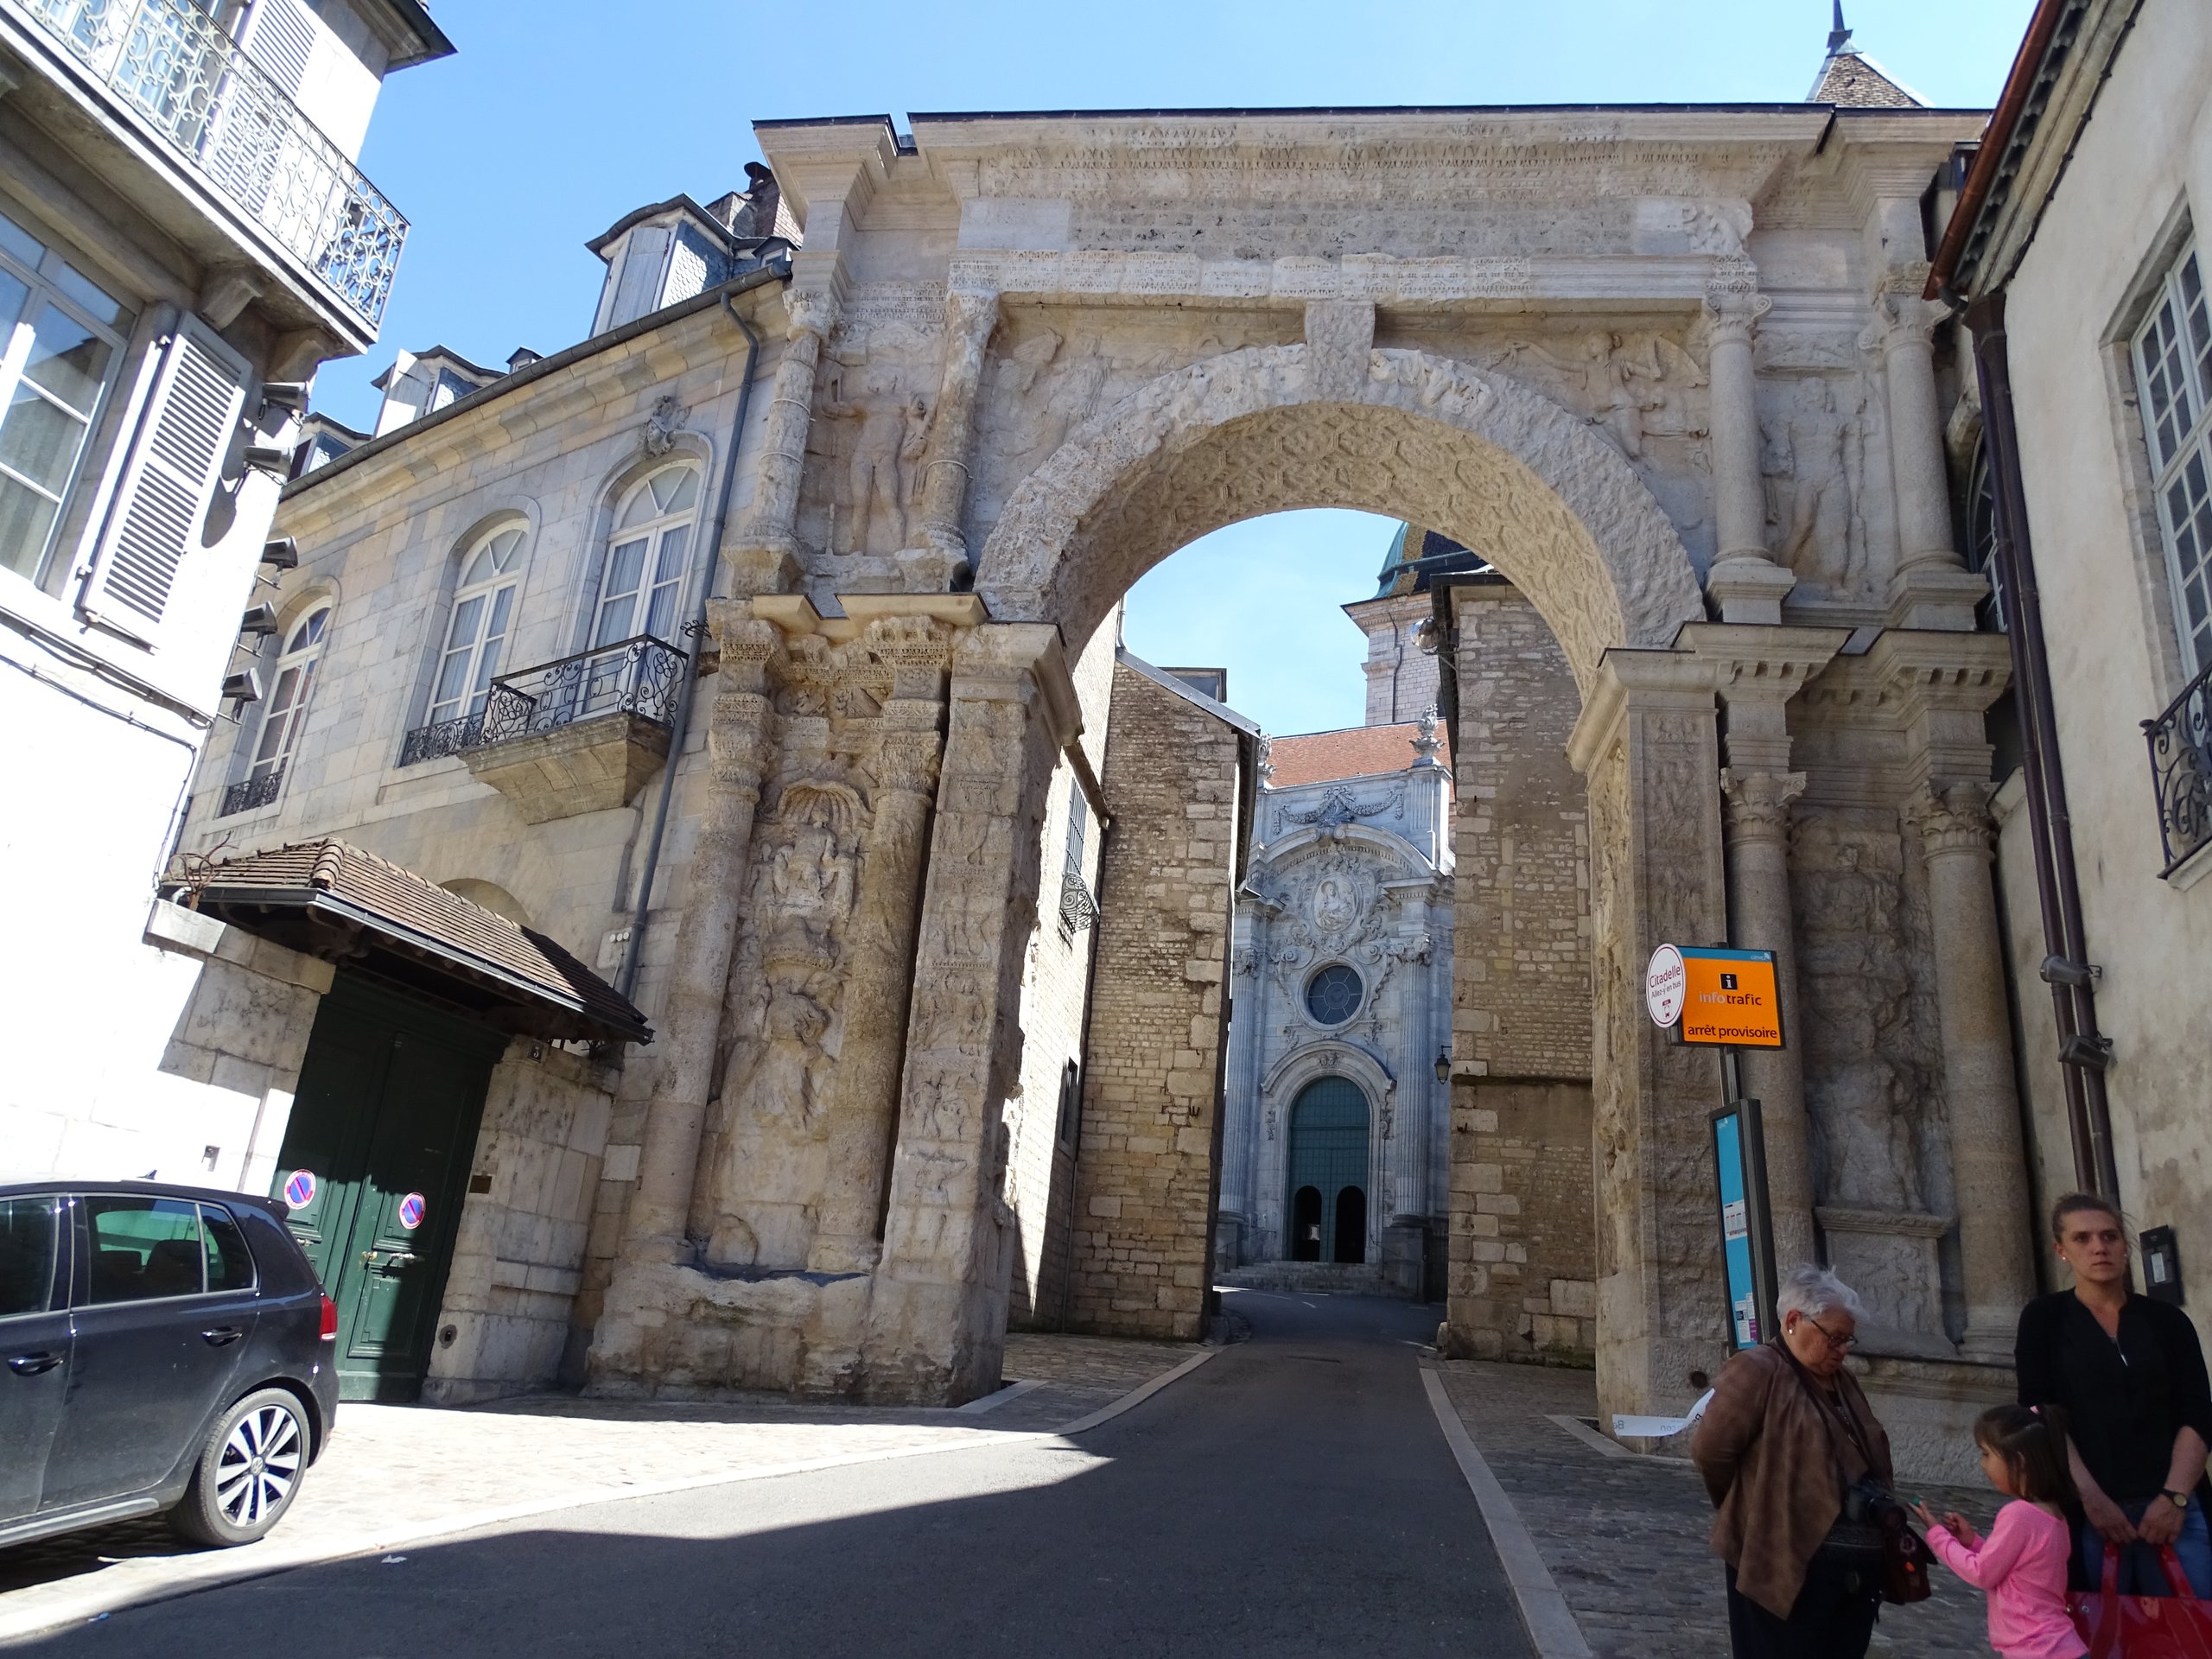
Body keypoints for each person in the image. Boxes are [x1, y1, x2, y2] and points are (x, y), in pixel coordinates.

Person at [1693, 1265, 1897, 1659]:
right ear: (1793, 1321)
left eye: (1848, 1339)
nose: (1843, 1350)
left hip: (1852, 1573)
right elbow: (1711, 1452)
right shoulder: (1757, 1370)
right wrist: (1751, 1508)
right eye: (1834, 1338)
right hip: (1780, 1561)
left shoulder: (1843, 1381)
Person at [2014, 1192, 2212, 1598]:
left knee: (2194, 1625)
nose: (2099, 1247)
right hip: (2088, 1510)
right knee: (2103, 1627)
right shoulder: (2044, 1320)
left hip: (2176, 1510)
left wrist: (2173, 1498)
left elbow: (2197, 1412)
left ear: (2125, 1245)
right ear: (2061, 1250)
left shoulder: (2167, 1321)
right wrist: (2091, 1499)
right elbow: (2039, 1414)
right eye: (2082, 1238)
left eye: (2109, 1236)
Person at [1912, 1405, 2086, 1659]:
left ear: (2019, 1461)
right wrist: (1973, 1543)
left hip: (2037, 1650)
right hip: (2058, 1647)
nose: (1982, 1464)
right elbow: (2013, 1571)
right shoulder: (2054, 1515)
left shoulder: (2019, 1515)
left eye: (1986, 1454)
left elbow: (1982, 1573)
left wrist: (1938, 1535)